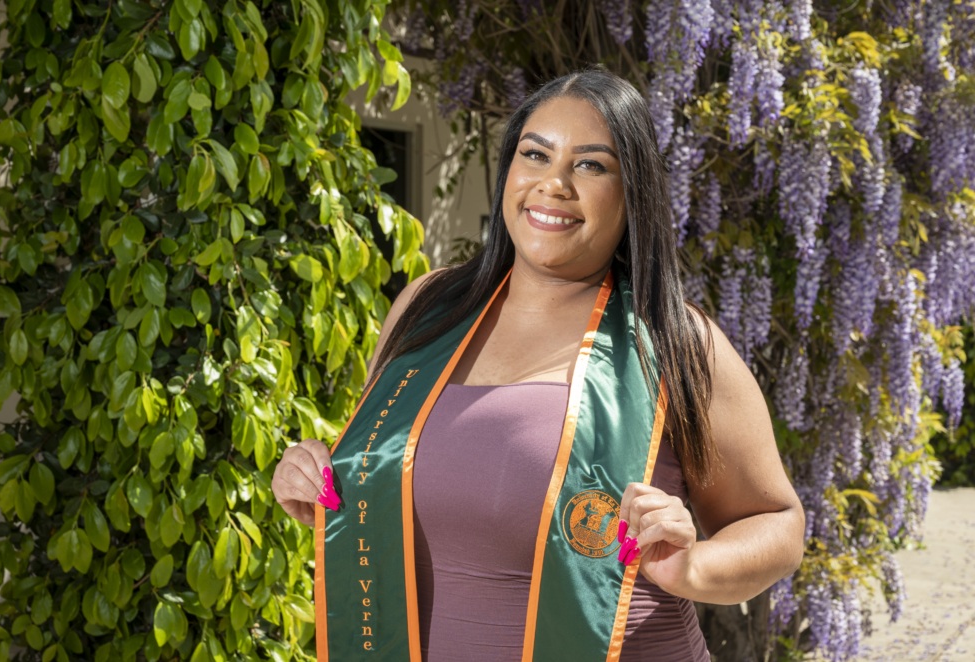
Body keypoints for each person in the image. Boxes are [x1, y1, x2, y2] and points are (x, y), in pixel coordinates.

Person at [271, 68, 805, 661]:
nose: (554, 184)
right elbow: (412, 490)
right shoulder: (427, 310)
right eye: (536, 154)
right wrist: (326, 485)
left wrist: (695, 568)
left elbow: (778, 524)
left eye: (591, 165)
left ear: (633, 195)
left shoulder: (676, 342)